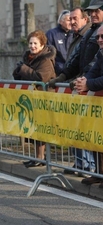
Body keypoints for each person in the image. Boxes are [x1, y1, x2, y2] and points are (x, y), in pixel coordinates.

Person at [49, 1, 103, 175]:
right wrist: (64, 76)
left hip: (95, 89)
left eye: (97, 11)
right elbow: (78, 59)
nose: (94, 14)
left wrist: (86, 81)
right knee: (91, 132)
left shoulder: (95, 32)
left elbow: (94, 63)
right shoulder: (89, 33)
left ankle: (94, 169)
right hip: (91, 88)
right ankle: (97, 172)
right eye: (91, 12)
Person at [13, 30, 56, 167]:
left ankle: (41, 157)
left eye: (35, 43)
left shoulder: (45, 60)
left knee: (41, 129)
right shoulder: (29, 58)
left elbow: (41, 77)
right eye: (30, 43)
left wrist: (23, 69)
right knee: (33, 129)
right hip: (32, 98)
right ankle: (38, 157)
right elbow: (20, 75)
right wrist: (19, 70)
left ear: (42, 44)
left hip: (43, 98)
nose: (32, 46)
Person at [73, 24, 103, 187]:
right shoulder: (101, 54)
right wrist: (84, 80)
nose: (99, 40)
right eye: (98, 37)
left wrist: (89, 84)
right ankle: (99, 173)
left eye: (102, 37)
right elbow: (94, 71)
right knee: (97, 138)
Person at [46, 9, 72, 75]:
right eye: (69, 20)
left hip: (72, 69)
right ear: (61, 21)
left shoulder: (74, 34)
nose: (71, 22)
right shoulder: (51, 34)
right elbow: (49, 56)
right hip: (58, 71)